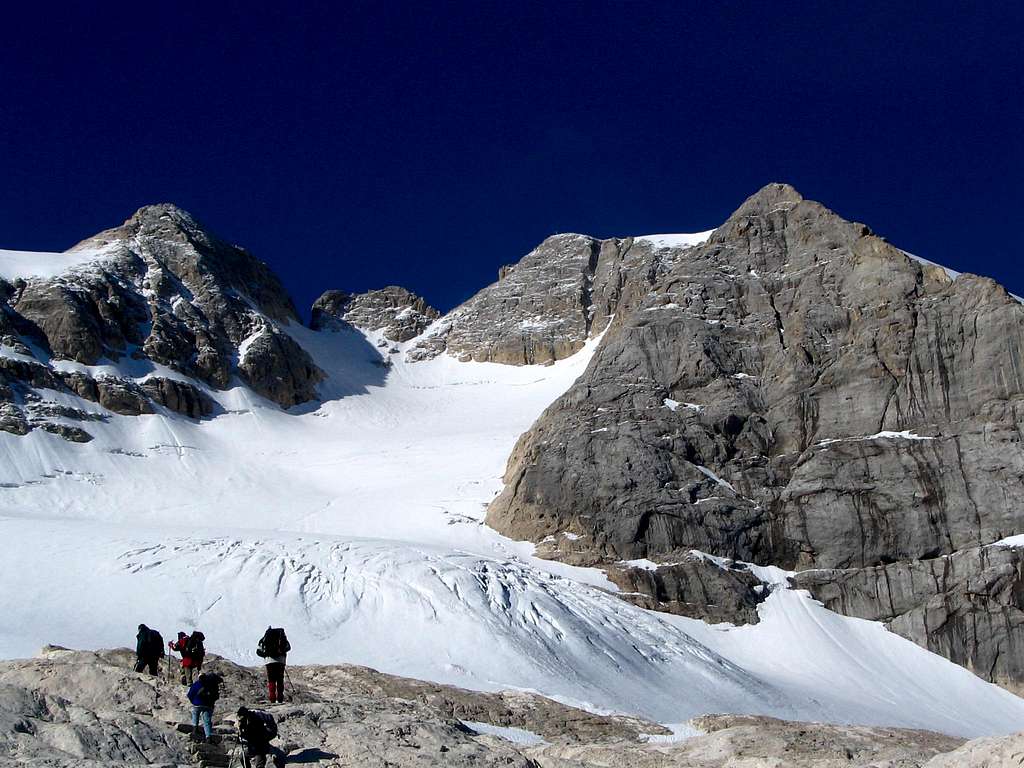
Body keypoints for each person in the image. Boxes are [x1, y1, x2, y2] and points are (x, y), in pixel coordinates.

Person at [255, 626, 290, 703]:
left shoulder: (264, 638)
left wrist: (266, 654)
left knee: (271, 680)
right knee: (280, 679)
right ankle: (280, 698)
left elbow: (258, 651)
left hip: (269, 661)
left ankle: (272, 699)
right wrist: (281, 653)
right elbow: (288, 647)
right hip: (281, 661)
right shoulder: (281, 636)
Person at [187, 672, 223, 743]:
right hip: (209, 705)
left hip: (198, 703)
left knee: (195, 713)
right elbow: (216, 696)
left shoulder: (197, 684)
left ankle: (195, 729)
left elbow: (190, 695)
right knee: (207, 721)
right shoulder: (212, 684)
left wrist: (194, 701)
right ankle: (208, 737)